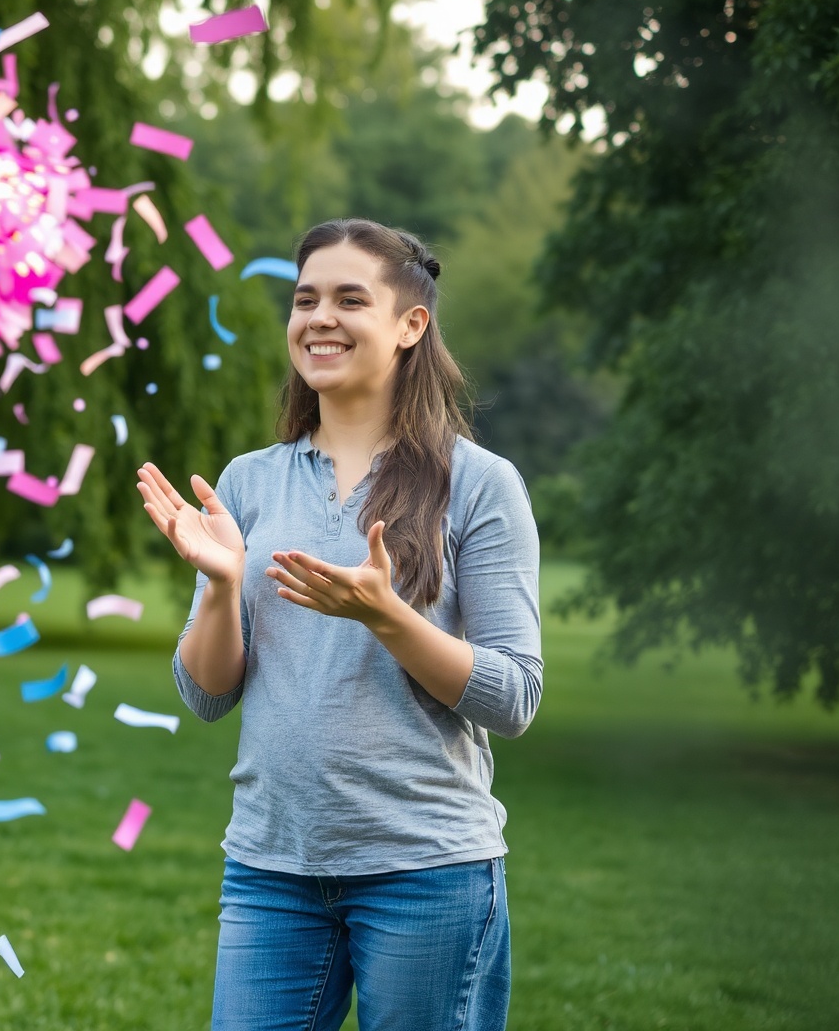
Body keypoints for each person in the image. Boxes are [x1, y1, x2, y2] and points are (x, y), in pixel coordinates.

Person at [137, 218, 543, 1031]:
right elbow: (207, 695)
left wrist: (389, 619)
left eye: (349, 299)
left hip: (426, 872)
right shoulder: (248, 482)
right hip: (269, 869)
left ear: (410, 325)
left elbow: (515, 697)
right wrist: (220, 587)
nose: (319, 317)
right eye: (305, 299)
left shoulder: (479, 485)